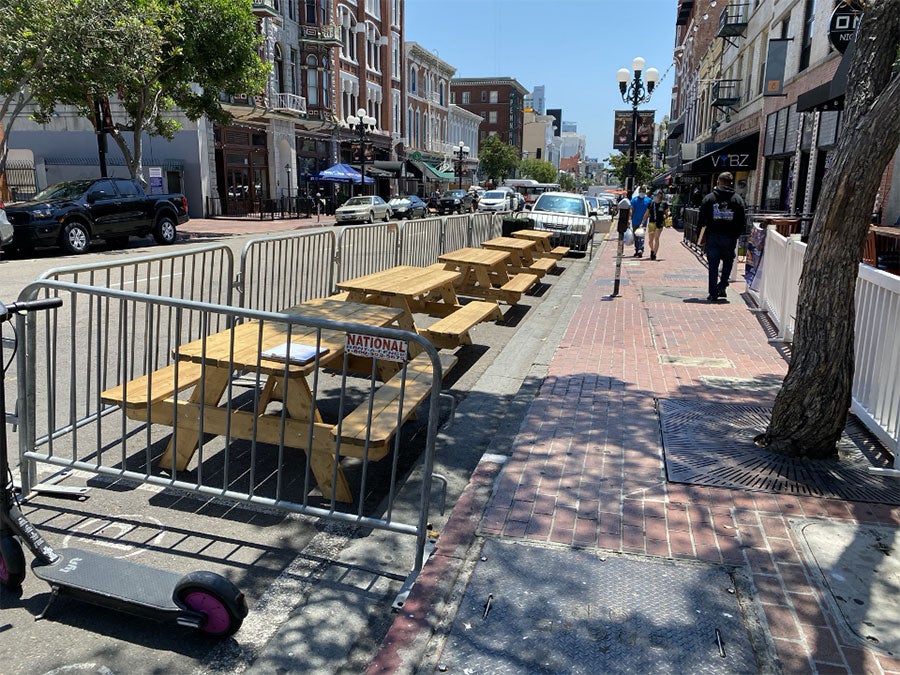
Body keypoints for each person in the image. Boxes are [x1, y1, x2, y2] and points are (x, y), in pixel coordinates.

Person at [698, 171, 748, 302]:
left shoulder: (709, 198)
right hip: (730, 237)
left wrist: (699, 237)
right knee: (728, 262)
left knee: (713, 265)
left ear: (718, 182)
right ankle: (723, 285)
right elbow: (742, 220)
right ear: (730, 183)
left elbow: (701, 219)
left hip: (713, 236)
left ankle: (713, 292)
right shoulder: (737, 200)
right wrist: (737, 234)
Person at [646, 189, 670, 261]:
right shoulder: (651, 203)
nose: (658, 196)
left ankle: (654, 254)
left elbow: (668, 212)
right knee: (650, 240)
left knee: (656, 238)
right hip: (651, 223)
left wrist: (666, 215)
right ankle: (652, 250)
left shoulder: (664, 204)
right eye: (657, 195)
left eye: (660, 195)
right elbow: (647, 213)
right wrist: (642, 222)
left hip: (659, 223)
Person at [630, 185, 652, 257]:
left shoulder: (648, 200)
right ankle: (637, 249)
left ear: (645, 192)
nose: (642, 192)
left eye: (643, 191)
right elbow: (631, 210)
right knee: (636, 236)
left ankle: (640, 250)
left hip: (643, 222)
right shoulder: (634, 200)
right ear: (639, 191)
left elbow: (650, 211)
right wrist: (629, 218)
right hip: (635, 221)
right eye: (641, 191)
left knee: (641, 236)